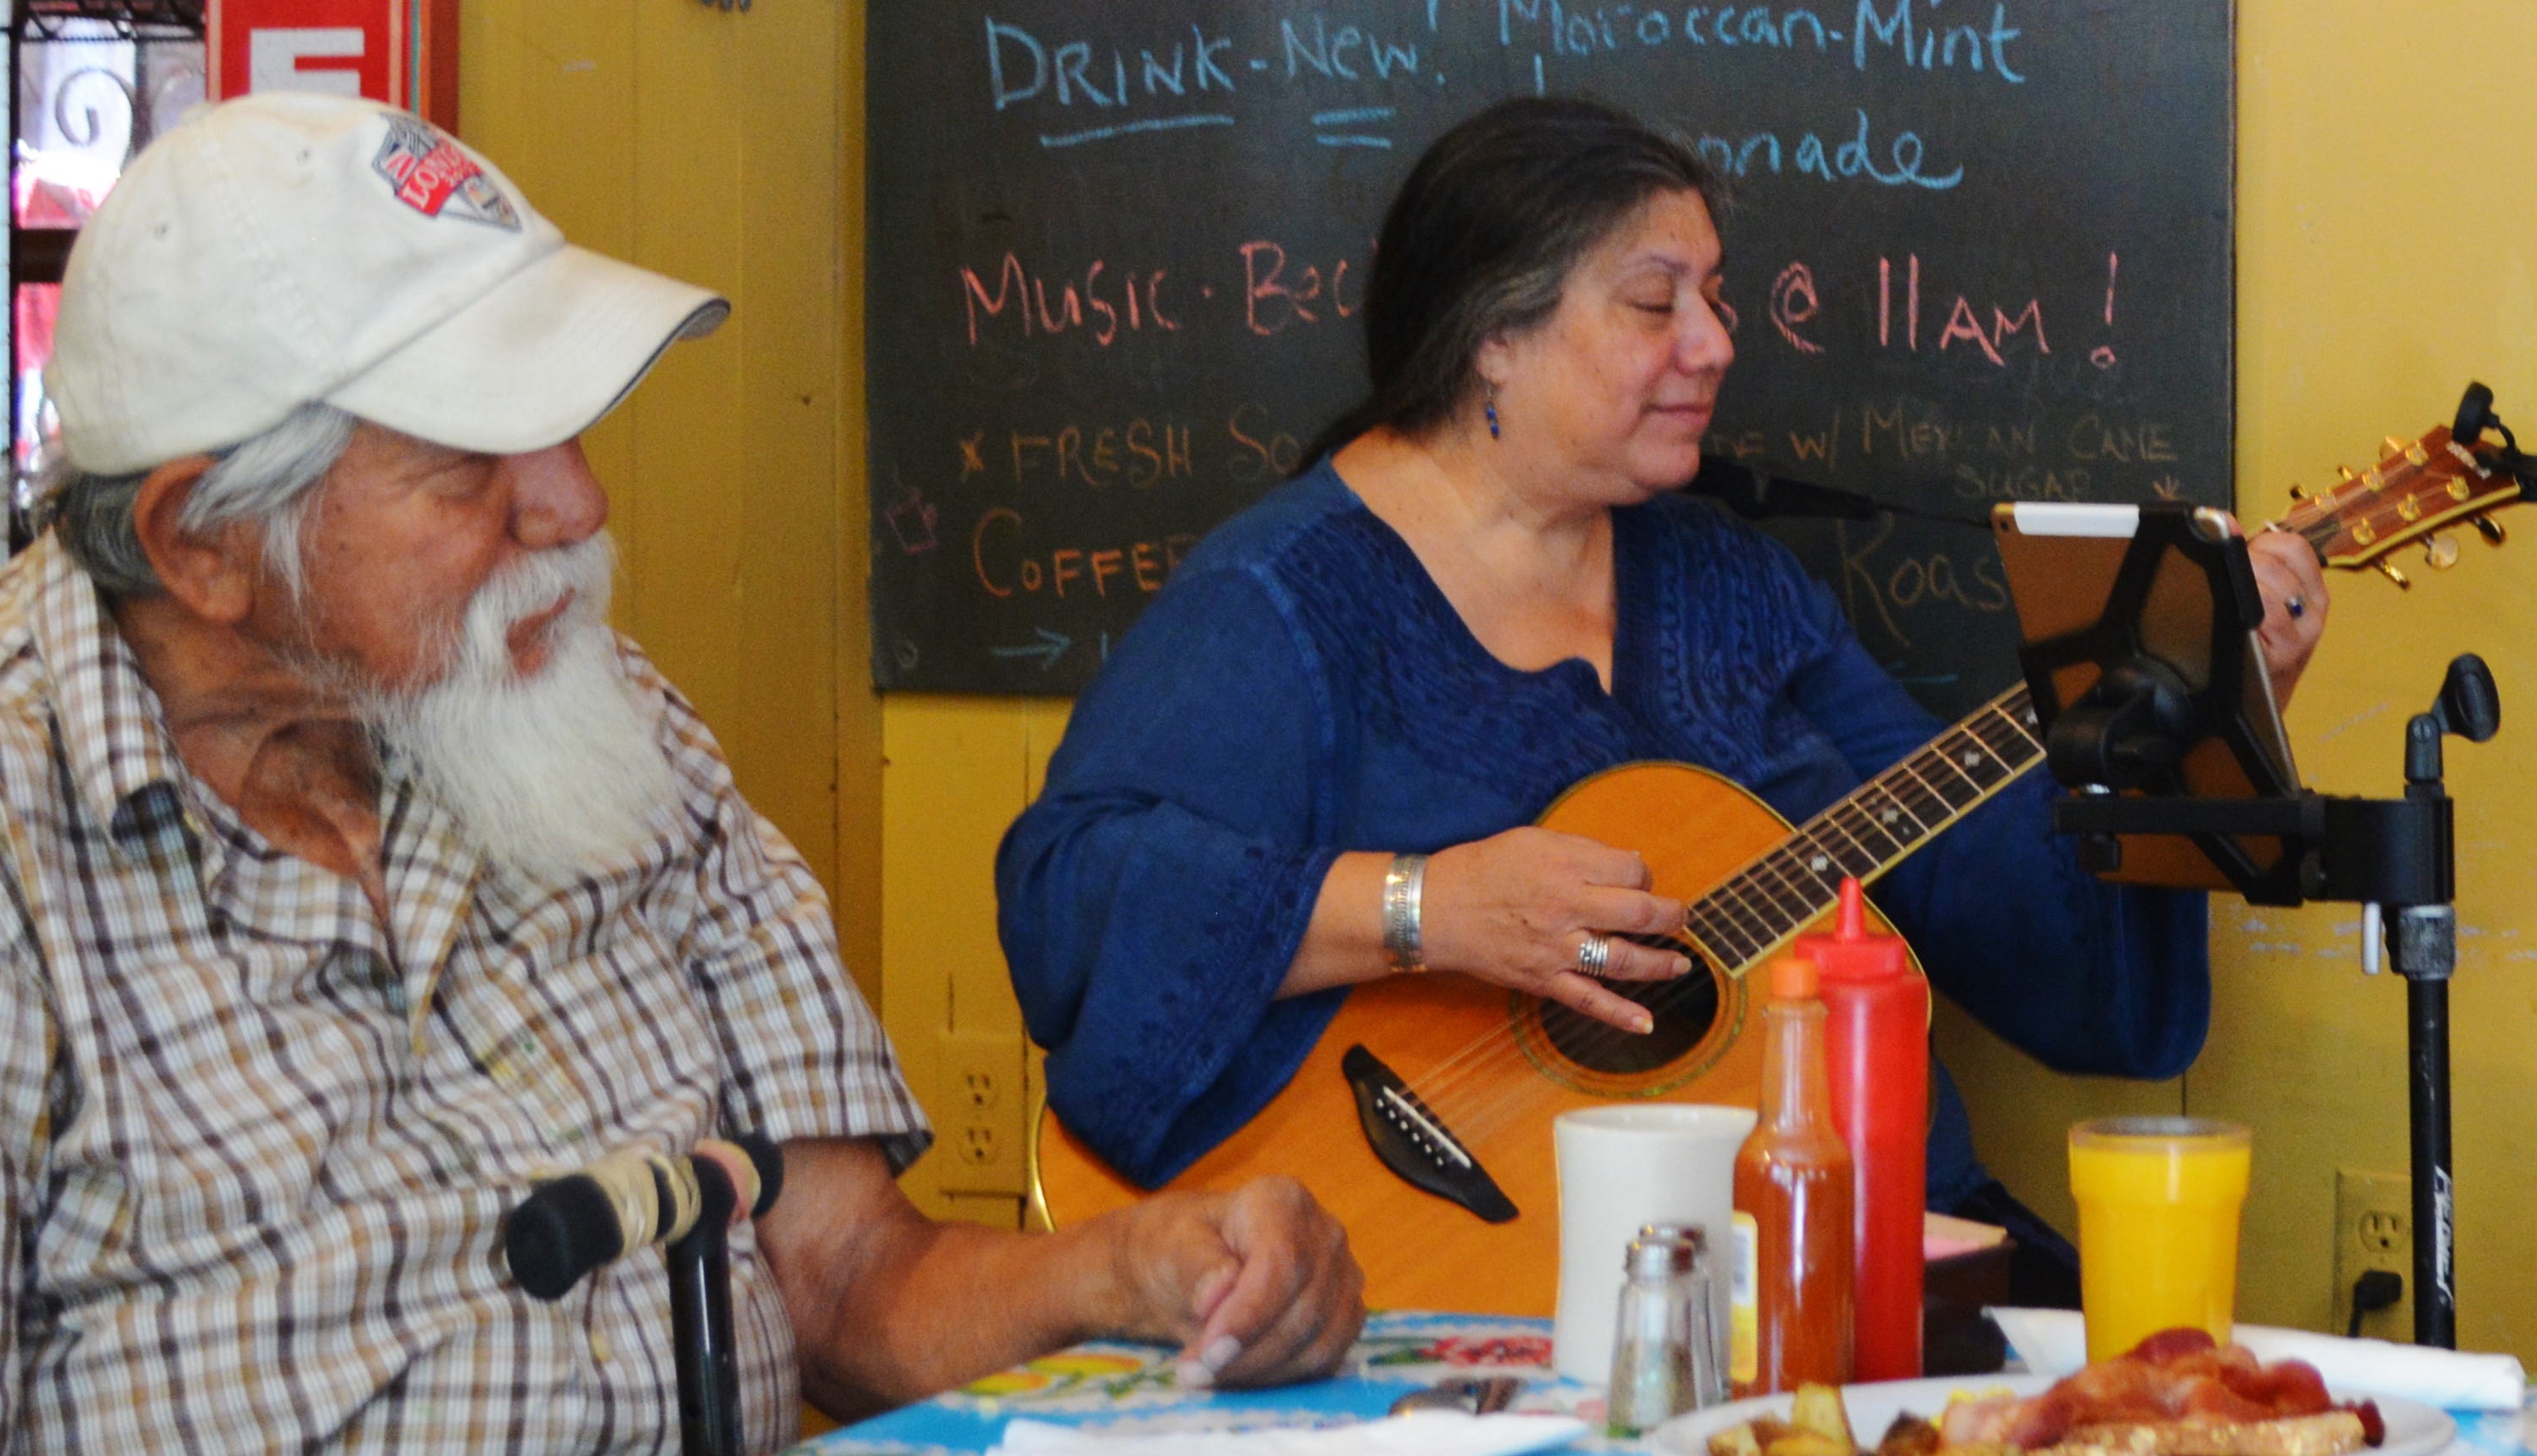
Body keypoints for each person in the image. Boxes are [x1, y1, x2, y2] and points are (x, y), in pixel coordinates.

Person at [0, 95, 1361, 1456]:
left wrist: (1133, 1267)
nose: (574, 503)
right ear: (206, 538)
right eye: (467, 466)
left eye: (566, 428)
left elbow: (844, 1280)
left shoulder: (579, 708)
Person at [995, 93, 2332, 1292]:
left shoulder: (1724, 584)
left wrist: (2184, 715)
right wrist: (1428, 908)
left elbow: (1970, 885)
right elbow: (1071, 897)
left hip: (1808, 1239)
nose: (1712, 344)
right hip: (1466, 1277)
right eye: (1654, 303)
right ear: (1492, 340)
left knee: (2152, 1407)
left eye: (1715, 296)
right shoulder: (1286, 600)